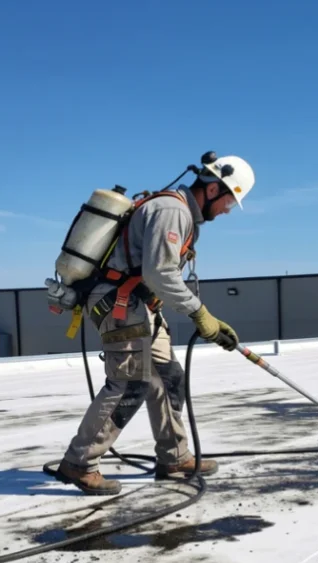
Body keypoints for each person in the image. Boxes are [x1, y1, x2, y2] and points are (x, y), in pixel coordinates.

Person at [54, 154, 254, 495]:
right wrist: (199, 313)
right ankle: (79, 462)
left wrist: (201, 316)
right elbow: (159, 273)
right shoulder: (172, 211)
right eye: (228, 202)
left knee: (168, 376)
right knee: (130, 383)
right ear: (212, 188)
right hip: (118, 302)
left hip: (139, 303)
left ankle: (174, 458)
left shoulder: (180, 213)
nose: (225, 212)